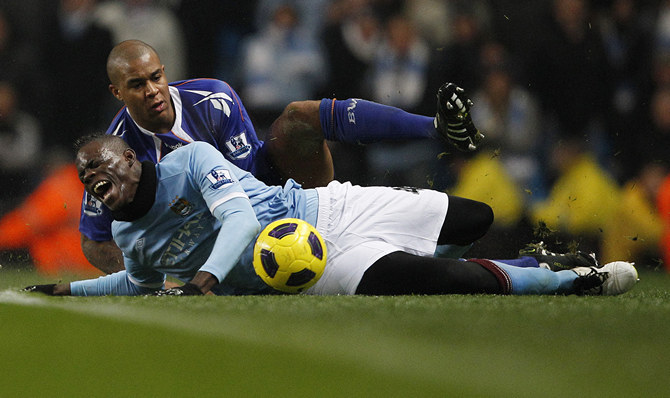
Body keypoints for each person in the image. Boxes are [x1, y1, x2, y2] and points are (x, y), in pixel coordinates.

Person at [25, 135, 638, 297]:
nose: (94, 181)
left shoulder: (190, 163)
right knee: (448, 281)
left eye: (102, 167)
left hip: (327, 205)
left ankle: (529, 260)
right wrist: (71, 288)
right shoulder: (131, 233)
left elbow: (238, 222)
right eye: (86, 178)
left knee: (474, 219)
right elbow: (138, 279)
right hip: (311, 262)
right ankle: (571, 281)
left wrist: (207, 276)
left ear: (132, 157)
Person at [79, 39, 484, 274]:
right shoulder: (114, 154)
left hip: (270, 197)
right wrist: (150, 277)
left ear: (165, 72)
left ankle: (434, 129)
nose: (152, 90)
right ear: (118, 93)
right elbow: (93, 240)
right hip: (211, 242)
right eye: (137, 84)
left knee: (297, 117)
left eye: (156, 77)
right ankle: (516, 266)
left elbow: (247, 187)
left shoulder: (212, 99)